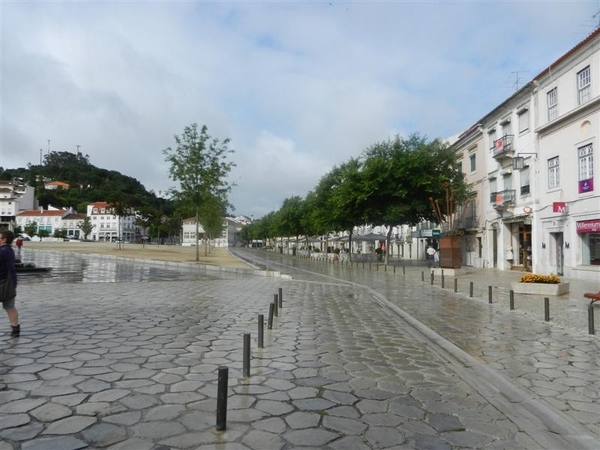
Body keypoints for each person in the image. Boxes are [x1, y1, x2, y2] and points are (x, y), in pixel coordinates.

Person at [0, 230, 19, 337]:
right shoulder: (9, 250)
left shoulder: (1, 251)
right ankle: (15, 329)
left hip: (2, 282)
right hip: (10, 282)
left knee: (10, 307)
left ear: (4, 240)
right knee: (10, 307)